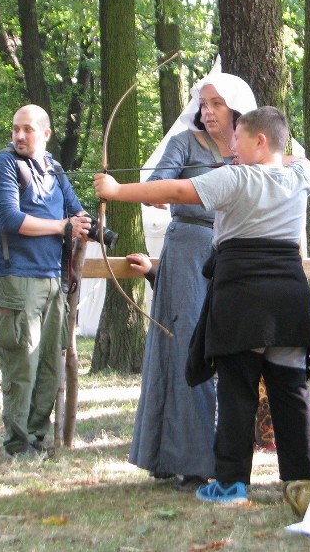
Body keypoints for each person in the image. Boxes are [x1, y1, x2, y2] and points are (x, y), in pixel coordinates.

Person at [95, 106, 310, 504]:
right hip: (289, 298)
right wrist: (268, 157)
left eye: (239, 138)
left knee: (237, 390)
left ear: (260, 140)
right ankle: (306, 482)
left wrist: (117, 191)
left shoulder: (232, 179)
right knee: (291, 389)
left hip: (242, 297)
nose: (231, 147)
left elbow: (175, 190)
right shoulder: (301, 175)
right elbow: (293, 157)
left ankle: (232, 483)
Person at [127, 72, 256, 489]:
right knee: (186, 348)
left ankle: (229, 455)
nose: (208, 111)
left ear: (236, 108)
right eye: (204, 103)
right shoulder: (185, 142)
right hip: (186, 252)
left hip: (235, 251)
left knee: (232, 351)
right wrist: (163, 191)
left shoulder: (251, 147)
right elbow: (155, 187)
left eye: (217, 103)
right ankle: (190, 458)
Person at [0, 104, 92, 457]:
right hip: (17, 278)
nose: (19, 135)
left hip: (53, 280)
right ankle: (18, 445)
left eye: (27, 129)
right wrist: (63, 227)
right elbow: (11, 219)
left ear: (45, 134)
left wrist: (90, 224)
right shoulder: (4, 164)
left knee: (49, 366)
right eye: (16, 128)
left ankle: (35, 438)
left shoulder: (55, 170)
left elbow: (76, 212)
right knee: (22, 365)